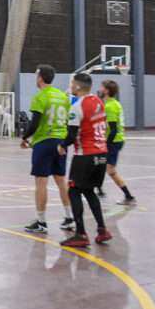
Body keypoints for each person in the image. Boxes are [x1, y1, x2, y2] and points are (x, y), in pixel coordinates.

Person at [58, 73, 112, 247]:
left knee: (73, 190)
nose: (70, 86)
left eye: (72, 83)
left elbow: (72, 134)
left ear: (78, 86)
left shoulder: (77, 106)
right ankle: (102, 229)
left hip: (85, 155)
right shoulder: (98, 102)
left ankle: (80, 233)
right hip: (102, 154)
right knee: (89, 191)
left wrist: (62, 146)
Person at [21, 65, 74, 234]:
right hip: (61, 142)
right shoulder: (63, 97)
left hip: (44, 142)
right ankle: (69, 217)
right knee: (61, 181)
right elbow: (68, 120)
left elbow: (34, 123)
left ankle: (41, 222)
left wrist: (24, 137)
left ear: (40, 78)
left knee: (41, 182)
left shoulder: (40, 97)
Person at [95, 80, 136, 205]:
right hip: (116, 141)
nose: (99, 89)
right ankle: (99, 189)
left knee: (110, 170)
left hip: (114, 141)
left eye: (101, 87)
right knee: (100, 164)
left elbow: (113, 130)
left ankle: (128, 196)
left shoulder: (110, 106)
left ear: (106, 90)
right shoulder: (113, 103)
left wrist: (105, 146)